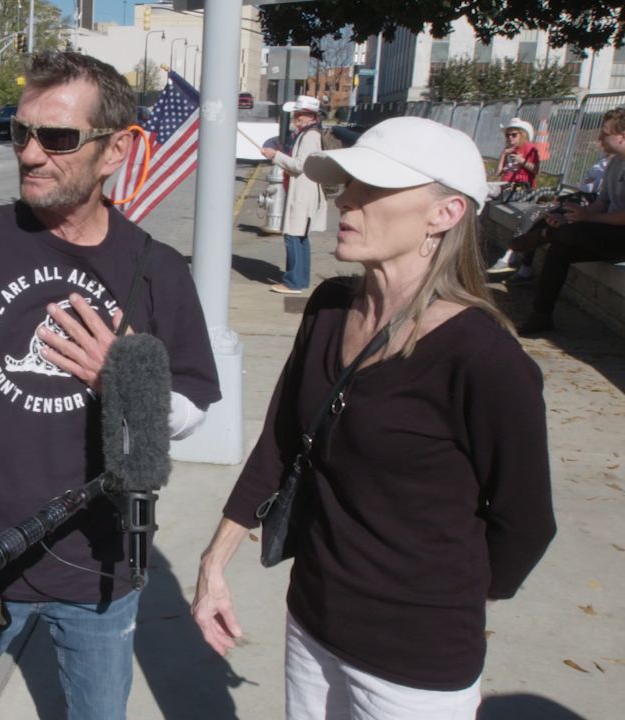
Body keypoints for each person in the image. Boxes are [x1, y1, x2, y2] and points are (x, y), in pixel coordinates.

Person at [0, 50, 222, 719]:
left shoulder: (156, 272)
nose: (31, 154)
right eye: (21, 132)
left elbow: (193, 408)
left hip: (96, 564)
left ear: (115, 150)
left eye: (57, 137)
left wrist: (122, 381)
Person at [192, 117, 555, 719]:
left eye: (373, 189)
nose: (347, 202)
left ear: (446, 214)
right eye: (346, 185)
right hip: (311, 622)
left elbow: (525, 523)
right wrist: (214, 561)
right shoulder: (331, 309)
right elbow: (281, 445)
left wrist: (438, 608)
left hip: (413, 663)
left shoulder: (485, 359)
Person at [504, 107, 625, 335]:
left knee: (567, 234)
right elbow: (601, 204)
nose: (599, 138)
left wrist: (590, 217)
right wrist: (576, 213)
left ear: (623, 135)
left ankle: (543, 235)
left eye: (605, 133)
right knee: (560, 247)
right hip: (608, 230)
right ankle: (541, 316)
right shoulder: (615, 163)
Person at [262, 95, 328, 295]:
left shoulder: (309, 136)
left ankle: (293, 282)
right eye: (296, 114)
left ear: (310, 116)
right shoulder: (309, 134)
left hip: (303, 192)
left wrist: (276, 156)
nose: (295, 118)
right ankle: (300, 279)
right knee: (300, 237)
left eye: (299, 115)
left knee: (293, 235)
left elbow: (300, 165)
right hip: (305, 190)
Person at [487, 118, 543, 277]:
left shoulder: (529, 148)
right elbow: (498, 173)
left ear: (523, 135)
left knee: (485, 195)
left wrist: (521, 160)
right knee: (480, 195)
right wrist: (502, 156)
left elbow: (536, 170)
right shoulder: (508, 149)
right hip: (505, 184)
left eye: (514, 135)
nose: (510, 138)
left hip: (520, 187)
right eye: (508, 136)